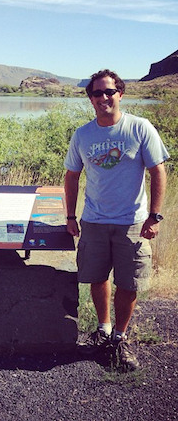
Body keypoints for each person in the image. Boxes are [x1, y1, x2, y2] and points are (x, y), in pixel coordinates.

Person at [64, 69, 169, 371]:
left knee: (129, 283)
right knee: (97, 278)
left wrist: (154, 216)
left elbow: (158, 171)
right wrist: (71, 216)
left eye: (109, 92)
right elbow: (72, 175)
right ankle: (104, 330)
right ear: (90, 98)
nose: (104, 97)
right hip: (94, 220)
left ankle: (120, 338)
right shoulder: (83, 134)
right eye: (97, 93)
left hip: (132, 222)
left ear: (120, 94)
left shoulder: (139, 128)